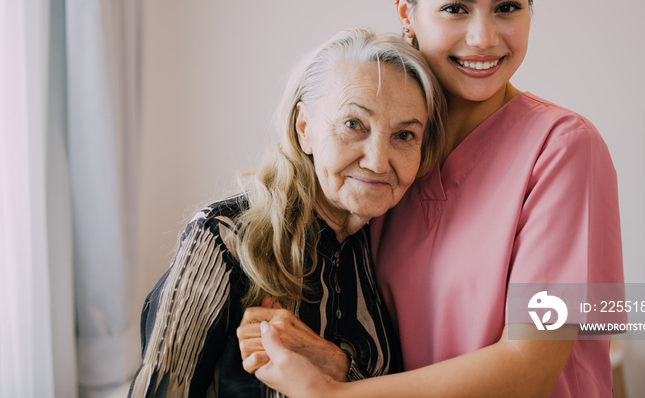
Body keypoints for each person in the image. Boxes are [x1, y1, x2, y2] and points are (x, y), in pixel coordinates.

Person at [247, 0, 625, 397]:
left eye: (508, 7)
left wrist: (334, 395)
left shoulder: (563, 148)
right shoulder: (384, 160)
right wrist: (337, 364)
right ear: (406, 12)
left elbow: (530, 363)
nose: (483, 37)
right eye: (455, 8)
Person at [128, 28, 446, 397]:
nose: (377, 161)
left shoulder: (388, 245)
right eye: (353, 124)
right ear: (304, 127)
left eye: (404, 136)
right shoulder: (224, 236)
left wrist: (340, 368)